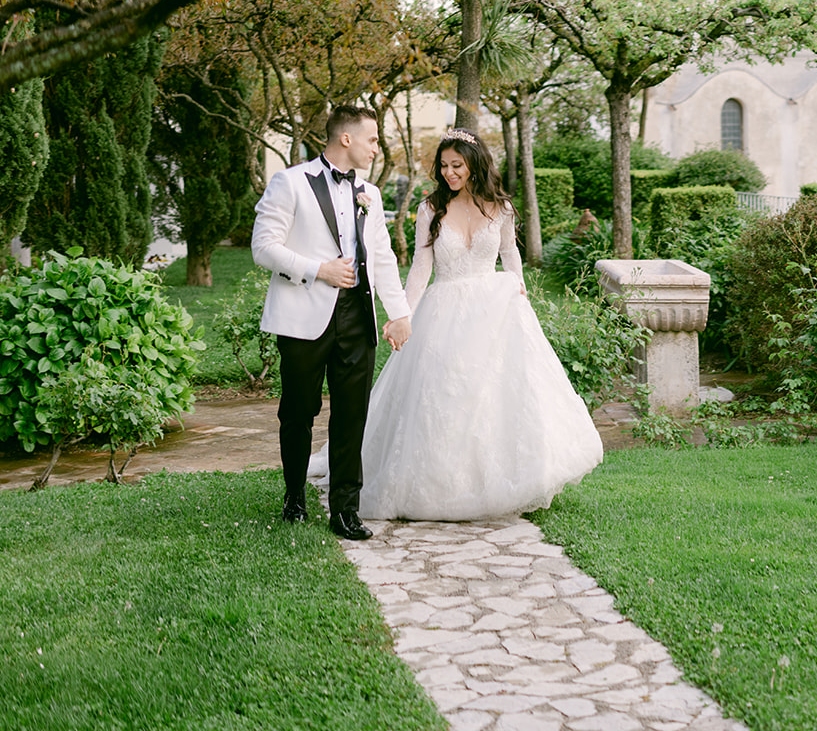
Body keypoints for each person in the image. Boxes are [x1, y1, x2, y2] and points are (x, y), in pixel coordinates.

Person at [358, 129, 603, 522]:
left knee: (496, 395)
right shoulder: (430, 209)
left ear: (474, 163)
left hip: (495, 310)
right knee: (445, 396)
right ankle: (444, 484)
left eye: (457, 165)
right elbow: (421, 270)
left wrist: (519, 290)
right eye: (444, 166)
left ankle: (504, 478)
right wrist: (402, 314)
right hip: (445, 310)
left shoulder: (500, 208)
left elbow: (510, 254)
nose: (450, 173)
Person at [250, 106, 411, 541]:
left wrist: (398, 312)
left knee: (351, 415)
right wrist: (317, 269)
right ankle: (295, 496)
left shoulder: (371, 195)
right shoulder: (291, 182)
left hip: (357, 318)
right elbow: (263, 247)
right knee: (298, 412)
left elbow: (382, 256)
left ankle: (345, 510)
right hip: (303, 317)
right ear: (346, 138)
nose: (378, 147)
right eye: (373, 140)